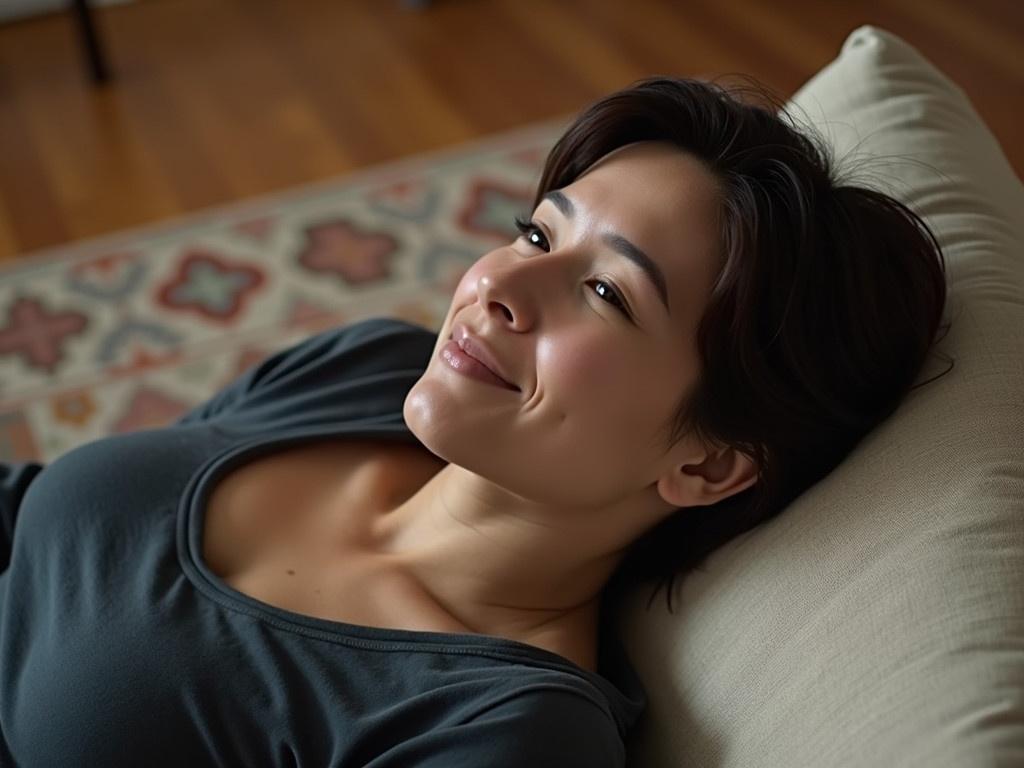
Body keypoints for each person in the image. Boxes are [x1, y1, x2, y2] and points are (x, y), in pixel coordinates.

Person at [0, 75, 950, 767]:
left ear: (707, 468)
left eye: (607, 293)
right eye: (538, 231)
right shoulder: (361, 365)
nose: (496, 281)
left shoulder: (499, 732)